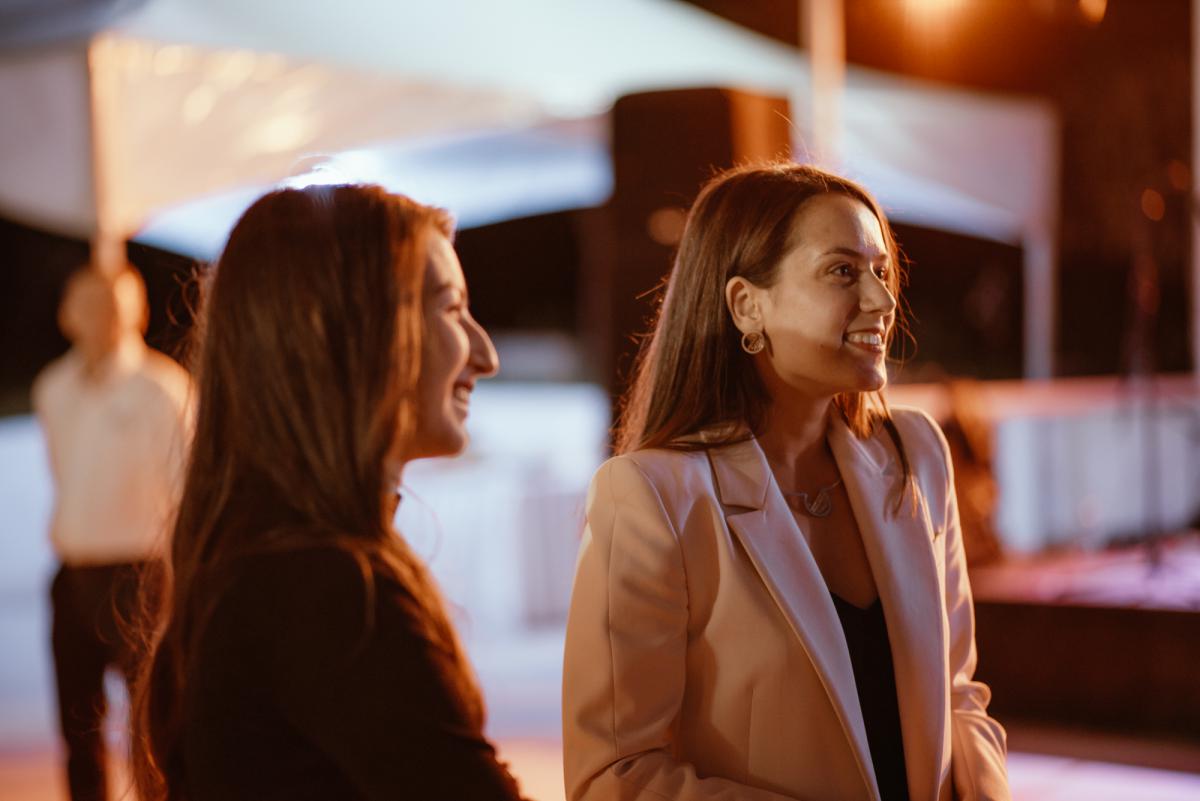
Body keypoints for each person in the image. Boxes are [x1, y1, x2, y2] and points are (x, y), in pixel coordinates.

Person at [562, 163, 1010, 801]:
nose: (883, 301)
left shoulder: (916, 455)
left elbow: (958, 693)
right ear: (748, 306)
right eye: (843, 272)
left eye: (881, 270)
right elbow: (615, 777)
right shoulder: (652, 497)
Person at [129, 185, 527, 801]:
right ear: (353, 332)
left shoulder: (264, 558)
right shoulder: (328, 589)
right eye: (451, 310)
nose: (485, 353)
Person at [32, 264, 192, 801]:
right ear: (66, 314)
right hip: (73, 576)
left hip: (142, 575)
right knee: (78, 732)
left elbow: (186, 486)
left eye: (116, 302)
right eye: (90, 302)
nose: (103, 314)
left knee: (158, 730)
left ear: (139, 310)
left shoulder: (163, 389)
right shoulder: (52, 388)